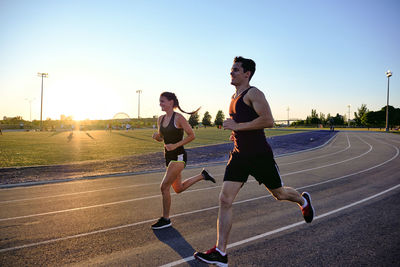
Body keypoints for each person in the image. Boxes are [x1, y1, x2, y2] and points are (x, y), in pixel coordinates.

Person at [194, 57, 314, 266]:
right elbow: (242, 124)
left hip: (260, 156)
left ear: (247, 73)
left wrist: (238, 127)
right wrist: (235, 132)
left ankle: (303, 201)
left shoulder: (254, 93)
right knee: (225, 199)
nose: (231, 73)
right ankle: (221, 252)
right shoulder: (233, 97)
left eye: (236, 70)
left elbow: (268, 120)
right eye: (231, 70)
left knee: (279, 194)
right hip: (239, 155)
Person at [151, 92, 216, 230]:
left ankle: (166, 219)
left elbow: (192, 135)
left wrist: (175, 145)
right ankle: (202, 175)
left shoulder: (179, 118)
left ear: (171, 102)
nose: (160, 104)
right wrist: (157, 137)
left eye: (162, 101)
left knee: (164, 187)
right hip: (168, 157)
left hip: (179, 157)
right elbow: (162, 137)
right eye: (159, 101)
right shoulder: (161, 119)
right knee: (178, 188)